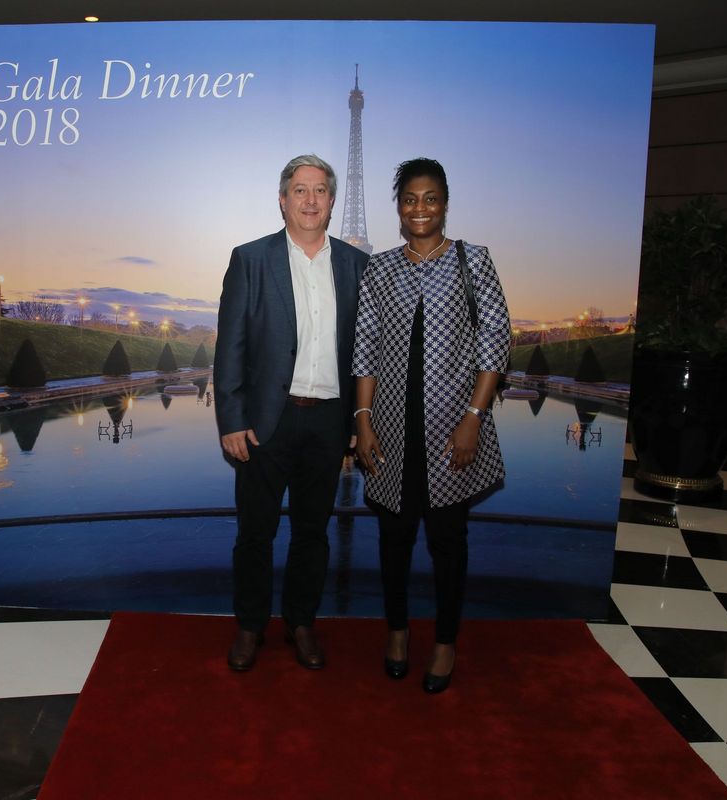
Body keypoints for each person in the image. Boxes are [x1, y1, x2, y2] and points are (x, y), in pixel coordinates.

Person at [353, 158, 510, 693]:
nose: (419, 208)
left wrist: (473, 419)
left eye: (430, 198)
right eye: (409, 199)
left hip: (452, 430)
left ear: (445, 204)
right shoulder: (380, 269)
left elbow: (495, 344)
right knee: (393, 541)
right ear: (398, 207)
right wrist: (363, 421)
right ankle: (397, 632)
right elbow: (365, 349)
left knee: (448, 543)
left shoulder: (473, 261)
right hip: (392, 433)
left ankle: (445, 641)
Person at [214, 154, 369, 672]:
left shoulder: (356, 265)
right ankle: (250, 626)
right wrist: (232, 419)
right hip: (266, 422)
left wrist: (360, 419)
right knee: (255, 534)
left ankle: (301, 622)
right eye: (299, 190)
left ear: (332, 201)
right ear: (282, 200)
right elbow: (230, 346)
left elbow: (365, 351)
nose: (310, 199)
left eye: (320, 190)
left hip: (328, 421)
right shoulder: (250, 259)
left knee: (312, 533)